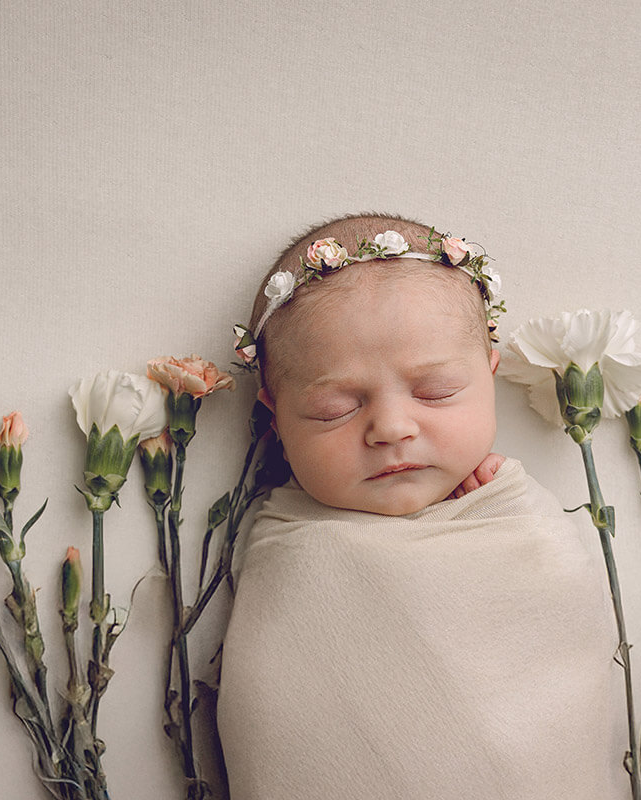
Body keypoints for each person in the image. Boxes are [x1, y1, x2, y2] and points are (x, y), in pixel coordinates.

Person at [217, 214, 614, 800]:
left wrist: (492, 515)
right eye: (333, 409)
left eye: (435, 393)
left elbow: (565, 634)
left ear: (490, 372)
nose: (392, 428)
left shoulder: (516, 516)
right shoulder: (288, 544)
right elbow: (282, 711)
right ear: (274, 414)